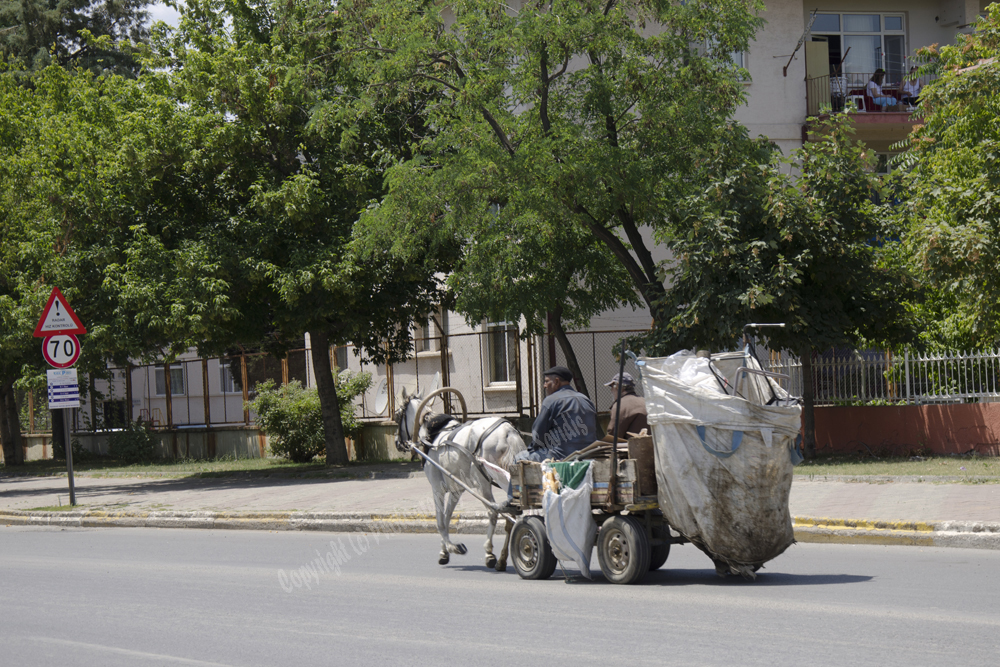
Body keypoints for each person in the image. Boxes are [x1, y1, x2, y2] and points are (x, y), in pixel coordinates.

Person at [604, 372, 648, 441]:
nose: (611, 390)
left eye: (611, 386)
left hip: (634, 447)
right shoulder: (645, 401)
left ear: (617, 386)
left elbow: (613, 435)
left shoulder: (619, 405)